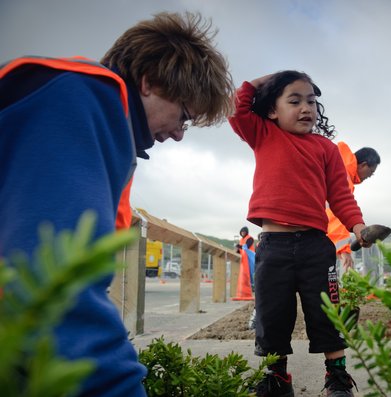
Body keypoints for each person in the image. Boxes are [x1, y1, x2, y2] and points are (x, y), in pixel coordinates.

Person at [0, 11, 234, 397]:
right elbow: (55, 288)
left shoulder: (74, 100)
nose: (178, 134)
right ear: (149, 82)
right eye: (184, 116)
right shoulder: (83, 101)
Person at [228, 70, 370, 397]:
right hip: (273, 246)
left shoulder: (326, 149)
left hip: (314, 247)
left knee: (326, 312)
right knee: (272, 316)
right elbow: (238, 105)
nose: (306, 107)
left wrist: (357, 226)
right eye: (294, 100)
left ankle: (336, 378)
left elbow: (341, 197)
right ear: (273, 110)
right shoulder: (262, 132)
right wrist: (278, 77)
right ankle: (277, 378)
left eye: (311, 101)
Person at [326, 144, 380, 272]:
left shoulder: (337, 164)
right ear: (363, 165)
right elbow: (335, 211)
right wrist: (343, 249)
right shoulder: (342, 173)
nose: (369, 177)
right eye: (371, 172)